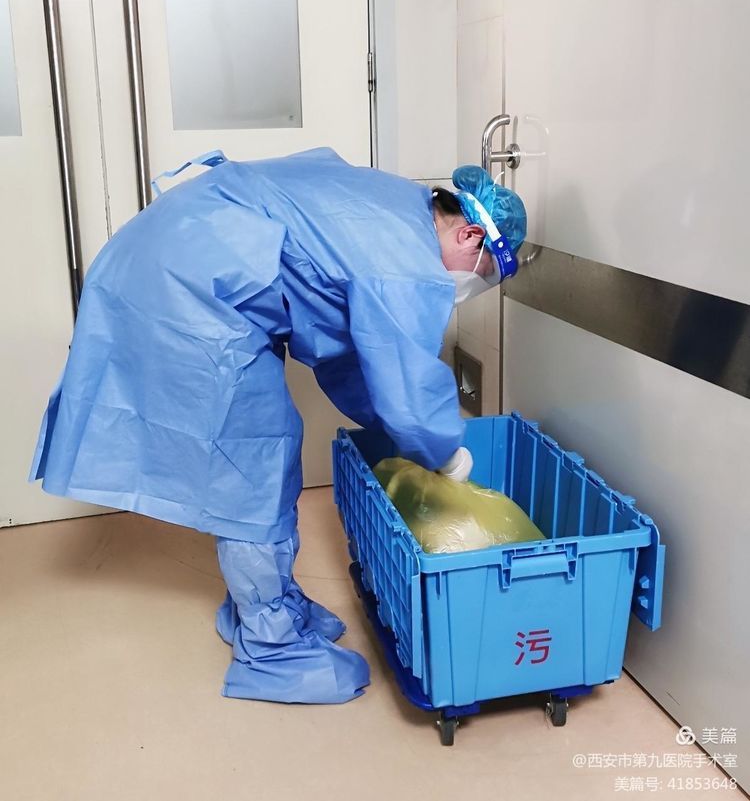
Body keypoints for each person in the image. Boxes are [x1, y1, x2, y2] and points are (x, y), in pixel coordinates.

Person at [30, 147, 526, 705]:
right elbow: (406, 387)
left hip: (180, 261)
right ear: (471, 237)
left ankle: (268, 604)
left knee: (266, 450)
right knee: (255, 463)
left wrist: (405, 431)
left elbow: (351, 355)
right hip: (188, 287)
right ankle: (270, 648)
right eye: (481, 277)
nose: (462, 289)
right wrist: (444, 450)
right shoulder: (405, 255)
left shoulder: (394, 208)